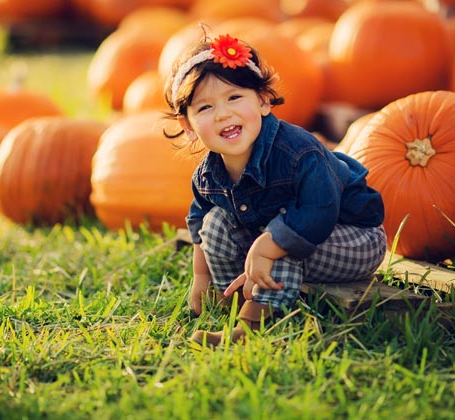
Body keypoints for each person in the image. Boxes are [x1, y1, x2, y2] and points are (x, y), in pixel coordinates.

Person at [163, 32, 387, 348]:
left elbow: (318, 212)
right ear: (188, 126)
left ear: (264, 101)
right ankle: (235, 297)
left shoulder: (298, 152)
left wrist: (267, 246)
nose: (223, 113)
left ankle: (253, 325)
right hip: (288, 231)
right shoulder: (207, 175)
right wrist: (201, 279)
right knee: (216, 225)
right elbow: (199, 226)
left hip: (353, 237)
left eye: (234, 97)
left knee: (280, 238)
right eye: (205, 108)